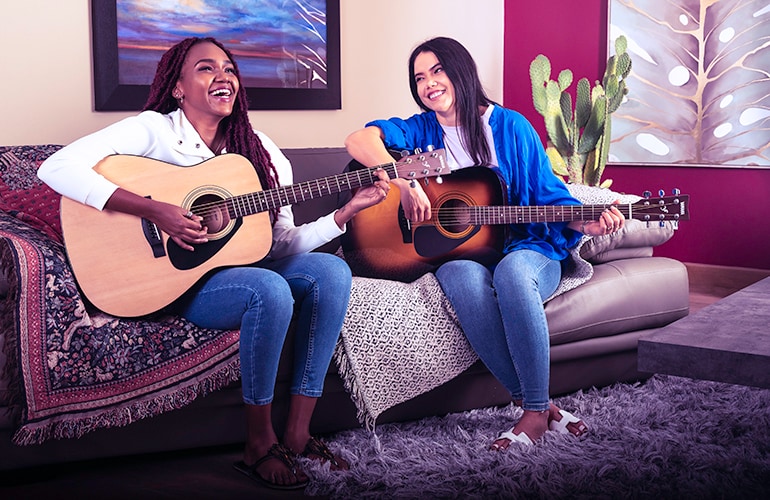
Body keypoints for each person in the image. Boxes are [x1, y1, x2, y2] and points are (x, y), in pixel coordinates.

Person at [38, 37, 390, 490]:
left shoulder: (259, 151)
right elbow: (56, 167)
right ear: (178, 87)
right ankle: (258, 444)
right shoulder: (154, 130)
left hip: (238, 269)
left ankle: (299, 432)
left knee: (331, 271)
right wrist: (156, 210)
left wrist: (343, 214)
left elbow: (279, 244)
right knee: (268, 288)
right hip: (175, 280)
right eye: (206, 69)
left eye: (229, 68)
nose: (223, 76)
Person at [345, 37, 625, 449]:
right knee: (455, 274)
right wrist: (402, 181)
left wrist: (585, 224)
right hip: (467, 255)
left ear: (461, 71)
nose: (429, 84)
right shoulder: (420, 130)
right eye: (419, 77)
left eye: (437, 71)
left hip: (529, 248)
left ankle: (530, 412)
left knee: (513, 273)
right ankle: (541, 408)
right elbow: (358, 140)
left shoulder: (511, 126)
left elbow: (547, 194)